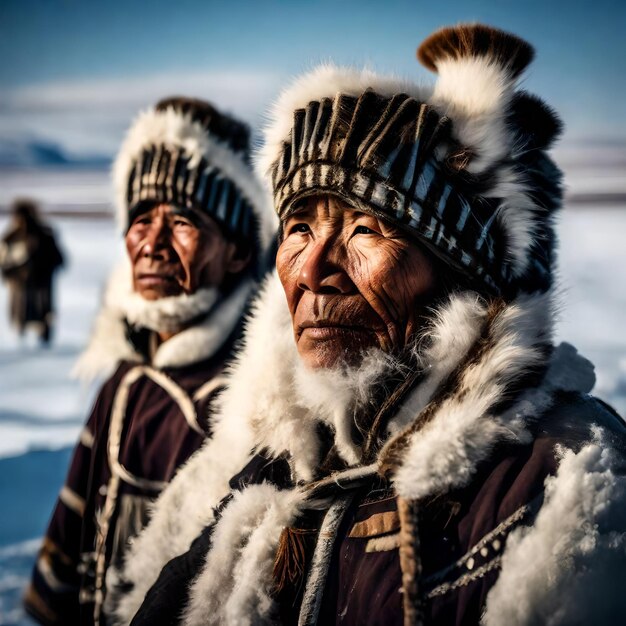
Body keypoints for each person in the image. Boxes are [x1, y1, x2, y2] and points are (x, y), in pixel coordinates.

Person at [114, 25, 626, 626]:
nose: (314, 269)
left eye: (364, 230)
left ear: (456, 276)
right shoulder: (275, 469)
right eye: (299, 228)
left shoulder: (568, 476)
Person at [24, 96, 274, 626]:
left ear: (237, 250)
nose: (153, 244)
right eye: (141, 219)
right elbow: (68, 550)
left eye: (184, 221)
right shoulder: (127, 377)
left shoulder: (255, 404)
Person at [0, 199, 64, 344]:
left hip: (40, 285)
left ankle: (41, 333)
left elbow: (58, 259)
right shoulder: (11, 238)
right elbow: (4, 263)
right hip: (21, 287)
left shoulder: (45, 235)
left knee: (40, 313)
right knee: (22, 315)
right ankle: (22, 335)